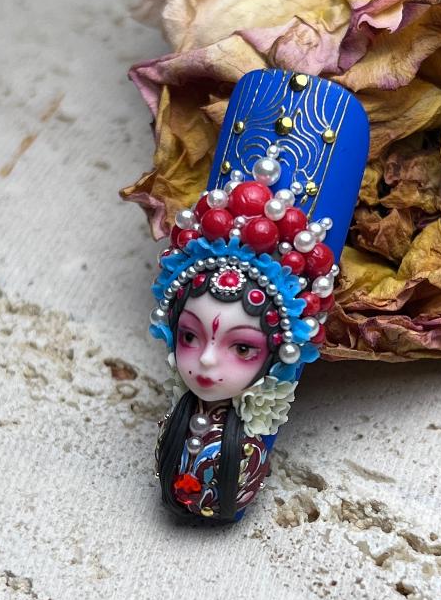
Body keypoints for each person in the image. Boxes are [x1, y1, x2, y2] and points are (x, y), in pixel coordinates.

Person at [149, 69, 369, 522]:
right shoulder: (190, 413)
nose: (205, 362)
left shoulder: (251, 424)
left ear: (281, 350)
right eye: (188, 336)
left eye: (243, 347)